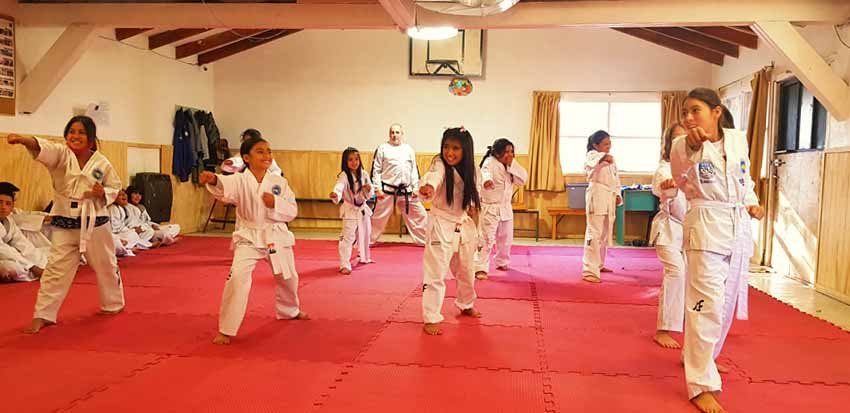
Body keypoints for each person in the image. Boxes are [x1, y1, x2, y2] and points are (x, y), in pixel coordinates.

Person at [671, 88, 764, 413]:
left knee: (723, 303)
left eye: (695, 110)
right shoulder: (682, 145)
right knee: (704, 305)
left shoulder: (737, 139)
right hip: (705, 227)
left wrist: (751, 202)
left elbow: (744, 176)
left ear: (717, 112)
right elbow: (680, 176)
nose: (688, 117)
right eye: (685, 111)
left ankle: (701, 359)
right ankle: (700, 384)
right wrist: (692, 147)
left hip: (736, 226)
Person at [7, 116, 125, 334]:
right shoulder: (61, 155)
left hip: (94, 223)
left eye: (81, 132)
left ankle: (113, 303)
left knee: (106, 265)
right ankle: (43, 314)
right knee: (55, 269)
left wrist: (104, 193)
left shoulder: (101, 163)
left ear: (90, 140)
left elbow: (115, 188)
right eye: (72, 131)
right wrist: (24, 140)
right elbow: (44, 148)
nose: (75, 136)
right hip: (64, 220)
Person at [200, 135, 307, 345]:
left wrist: (274, 202)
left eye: (268, 151)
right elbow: (224, 186)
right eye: (260, 151)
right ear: (246, 158)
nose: (266, 156)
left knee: (288, 277)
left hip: (275, 235)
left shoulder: (279, 182)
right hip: (248, 236)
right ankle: (226, 329)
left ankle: (289, 310)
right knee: (238, 277)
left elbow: (292, 210)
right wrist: (212, 179)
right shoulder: (240, 180)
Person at [419, 127, 482, 336]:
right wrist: (428, 187)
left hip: (462, 225)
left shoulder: (472, 170)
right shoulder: (439, 165)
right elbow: (434, 177)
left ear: (465, 149)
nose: (449, 153)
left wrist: (472, 207)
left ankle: (466, 303)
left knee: (466, 269)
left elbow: (474, 193)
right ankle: (431, 316)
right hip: (441, 224)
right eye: (446, 147)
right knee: (436, 271)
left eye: (455, 148)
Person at [650, 123, 688, 349]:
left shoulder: (700, 166)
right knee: (676, 272)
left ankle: (695, 330)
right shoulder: (665, 168)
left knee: (695, 281)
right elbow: (659, 187)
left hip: (695, 232)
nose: (682, 143)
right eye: (677, 139)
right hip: (669, 230)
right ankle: (663, 329)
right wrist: (668, 186)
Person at [473, 138, 528, 280]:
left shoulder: (510, 165)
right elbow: (484, 173)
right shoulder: (489, 162)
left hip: (505, 207)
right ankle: (480, 267)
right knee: (486, 238)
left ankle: (502, 261)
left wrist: (512, 165)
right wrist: (487, 181)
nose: (509, 155)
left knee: (506, 238)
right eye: (506, 152)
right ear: (497, 153)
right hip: (490, 207)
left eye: (511, 152)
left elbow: (522, 180)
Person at [370, 124, 428, 246]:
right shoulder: (383, 148)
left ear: (402, 134)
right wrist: (377, 189)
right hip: (387, 190)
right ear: (389, 134)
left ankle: (425, 241)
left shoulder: (408, 149)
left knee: (420, 215)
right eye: (392, 132)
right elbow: (376, 170)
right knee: (377, 218)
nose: (394, 135)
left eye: (397, 132)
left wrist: (415, 187)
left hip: (406, 190)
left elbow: (413, 170)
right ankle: (366, 241)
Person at [581, 130, 622, 283]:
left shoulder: (612, 159)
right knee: (594, 232)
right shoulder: (592, 155)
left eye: (609, 143)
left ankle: (599, 264)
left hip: (608, 196)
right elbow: (596, 161)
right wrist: (605, 157)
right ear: (595, 145)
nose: (608, 147)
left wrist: (618, 194)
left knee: (604, 233)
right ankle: (589, 270)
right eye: (605, 144)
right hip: (596, 194)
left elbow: (615, 178)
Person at [330, 147, 374, 274]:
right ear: (345, 162)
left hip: (362, 209)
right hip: (349, 210)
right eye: (350, 160)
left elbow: (370, 194)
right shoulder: (344, 176)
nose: (354, 162)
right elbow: (339, 186)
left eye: (356, 159)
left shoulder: (364, 174)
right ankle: (344, 263)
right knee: (348, 237)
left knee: (365, 233)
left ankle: (363, 255)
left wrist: (368, 189)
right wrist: (335, 194)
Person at [0, 182, 47, 282]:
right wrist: (33, 268)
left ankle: (27, 272)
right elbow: (3, 250)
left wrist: (41, 264)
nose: (3, 207)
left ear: (12, 207)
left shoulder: (9, 221)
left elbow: (23, 244)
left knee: (45, 253)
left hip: (8, 256)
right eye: (0, 202)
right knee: (10, 268)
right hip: (3, 256)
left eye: (8, 203)